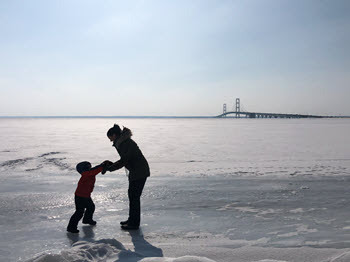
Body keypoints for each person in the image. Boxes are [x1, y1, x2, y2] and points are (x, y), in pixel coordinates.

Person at [104, 124, 150, 230]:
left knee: (134, 197)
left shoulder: (125, 143)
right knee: (132, 196)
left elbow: (124, 160)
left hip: (139, 172)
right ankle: (132, 220)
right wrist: (111, 165)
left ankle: (134, 223)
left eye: (110, 138)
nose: (111, 141)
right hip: (136, 171)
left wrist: (110, 168)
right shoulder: (123, 142)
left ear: (114, 135)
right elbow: (124, 160)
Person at [67, 161, 111, 233]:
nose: (90, 168)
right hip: (81, 196)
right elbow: (94, 171)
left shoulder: (88, 173)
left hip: (85, 195)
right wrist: (102, 166)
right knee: (79, 212)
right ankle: (71, 227)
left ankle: (87, 219)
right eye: (88, 167)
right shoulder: (86, 174)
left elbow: (94, 169)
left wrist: (101, 165)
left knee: (91, 207)